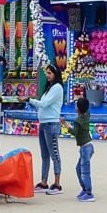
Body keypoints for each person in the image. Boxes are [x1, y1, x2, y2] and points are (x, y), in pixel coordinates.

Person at [30, 64, 65, 194]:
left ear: (55, 74)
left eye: (50, 73)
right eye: (47, 73)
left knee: (54, 154)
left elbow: (44, 103)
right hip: (44, 123)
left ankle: (57, 183)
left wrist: (30, 100)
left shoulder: (57, 88)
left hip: (51, 124)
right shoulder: (49, 88)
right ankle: (44, 181)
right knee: (44, 155)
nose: (48, 75)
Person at [61, 96, 95, 202]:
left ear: (78, 108)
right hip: (88, 146)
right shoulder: (86, 115)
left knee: (84, 171)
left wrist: (64, 124)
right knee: (79, 168)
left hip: (85, 147)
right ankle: (85, 189)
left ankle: (89, 192)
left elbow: (74, 132)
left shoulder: (78, 120)